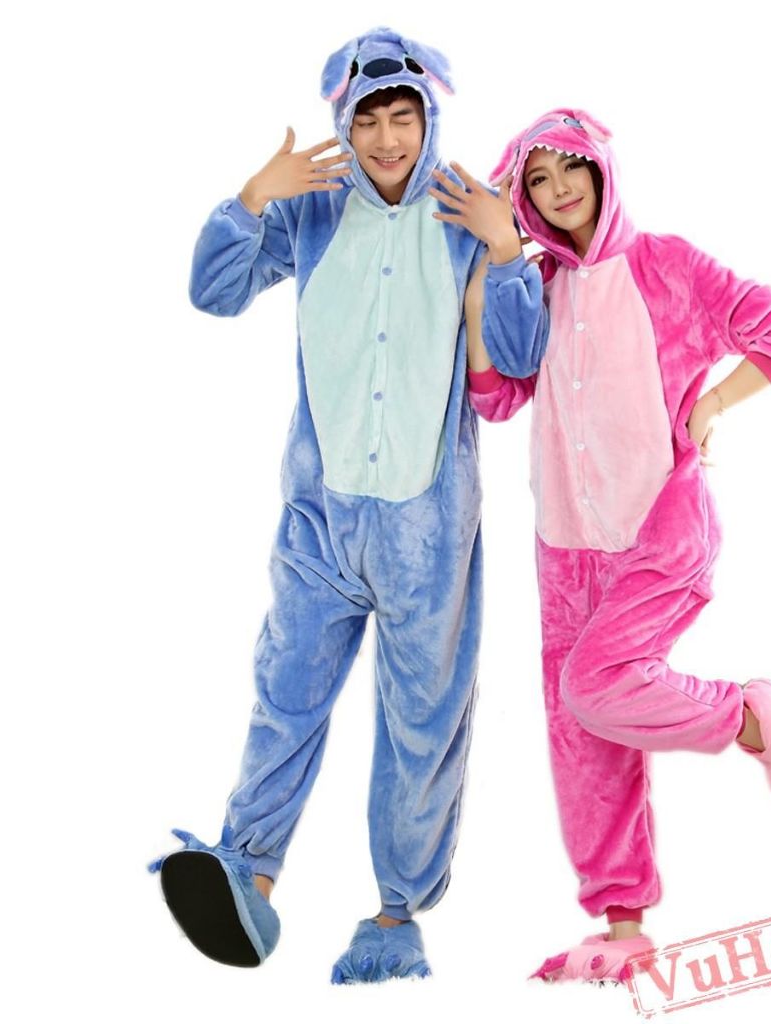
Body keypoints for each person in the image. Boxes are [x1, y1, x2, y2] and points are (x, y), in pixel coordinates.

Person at [428, 108, 771, 983]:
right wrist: (481, 284)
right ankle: (624, 931)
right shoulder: (536, 284)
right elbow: (498, 399)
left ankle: (747, 714)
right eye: (537, 180)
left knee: (596, 686)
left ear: (600, 170)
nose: (557, 190)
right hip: (564, 546)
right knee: (582, 735)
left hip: (658, 529)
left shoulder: (665, 264)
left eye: (569, 170)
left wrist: (715, 402)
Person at [148, 27, 491, 984]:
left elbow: (514, 358)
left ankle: (396, 914)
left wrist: (506, 249)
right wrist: (253, 197)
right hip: (320, 522)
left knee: (423, 723)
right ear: (345, 123)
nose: (387, 139)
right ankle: (247, 874)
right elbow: (214, 293)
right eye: (368, 120)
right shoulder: (312, 209)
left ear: (428, 119)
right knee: (285, 693)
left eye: (403, 118)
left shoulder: (464, 216)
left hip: (428, 530)